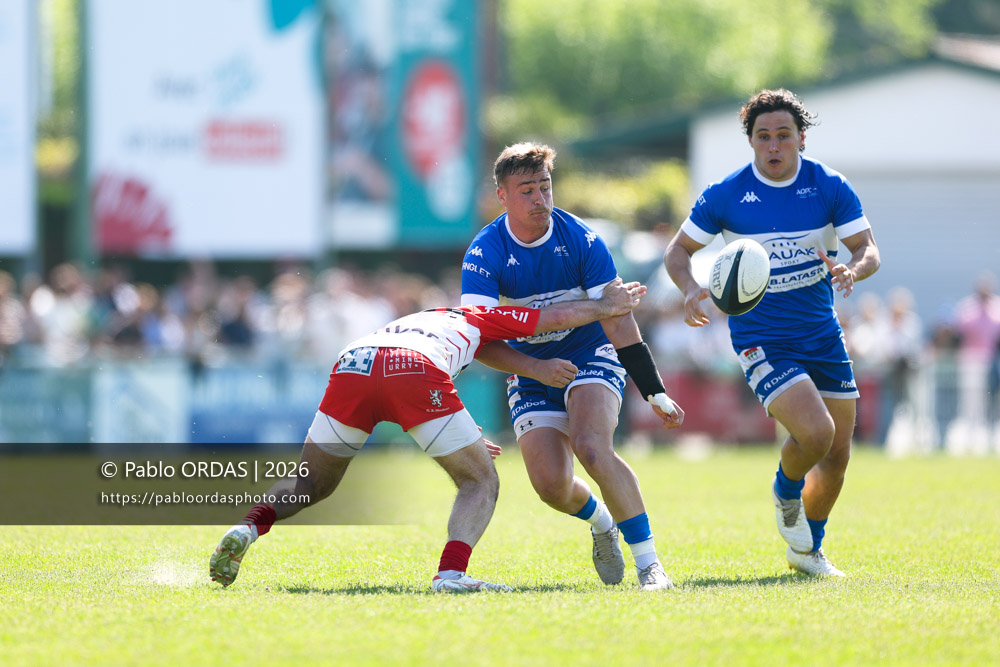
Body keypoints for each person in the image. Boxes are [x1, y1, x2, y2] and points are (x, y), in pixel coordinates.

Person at [209, 279, 646, 592]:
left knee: (311, 483)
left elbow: (423, 370)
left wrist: (468, 433)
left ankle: (248, 527)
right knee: (479, 480)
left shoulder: (417, 317)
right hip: (413, 369)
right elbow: (551, 317)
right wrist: (605, 306)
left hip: (354, 362)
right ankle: (451, 574)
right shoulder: (480, 315)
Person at [664, 89, 880, 577]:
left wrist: (853, 270)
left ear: (801, 138)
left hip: (823, 335)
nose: (774, 145)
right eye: (764, 136)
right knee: (817, 434)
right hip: (763, 339)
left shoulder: (827, 185)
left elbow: (868, 248)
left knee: (839, 455)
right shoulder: (726, 194)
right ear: (752, 142)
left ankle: (808, 551)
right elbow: (677, 252)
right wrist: (691, 289)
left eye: (784, 135)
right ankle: (786, 492)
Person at [461, 143, 684, 592]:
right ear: (502, 196)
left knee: (592, 447)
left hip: (589, 354)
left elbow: (617, 315)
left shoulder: (581, 239)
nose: (540, 198)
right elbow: (477, 340)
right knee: (550, 486)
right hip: (529, 369)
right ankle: (603, 523)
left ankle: (651, 566)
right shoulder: (484, 253)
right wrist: (535, 369)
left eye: (545, 186)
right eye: (527, 190)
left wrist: (654, 390)